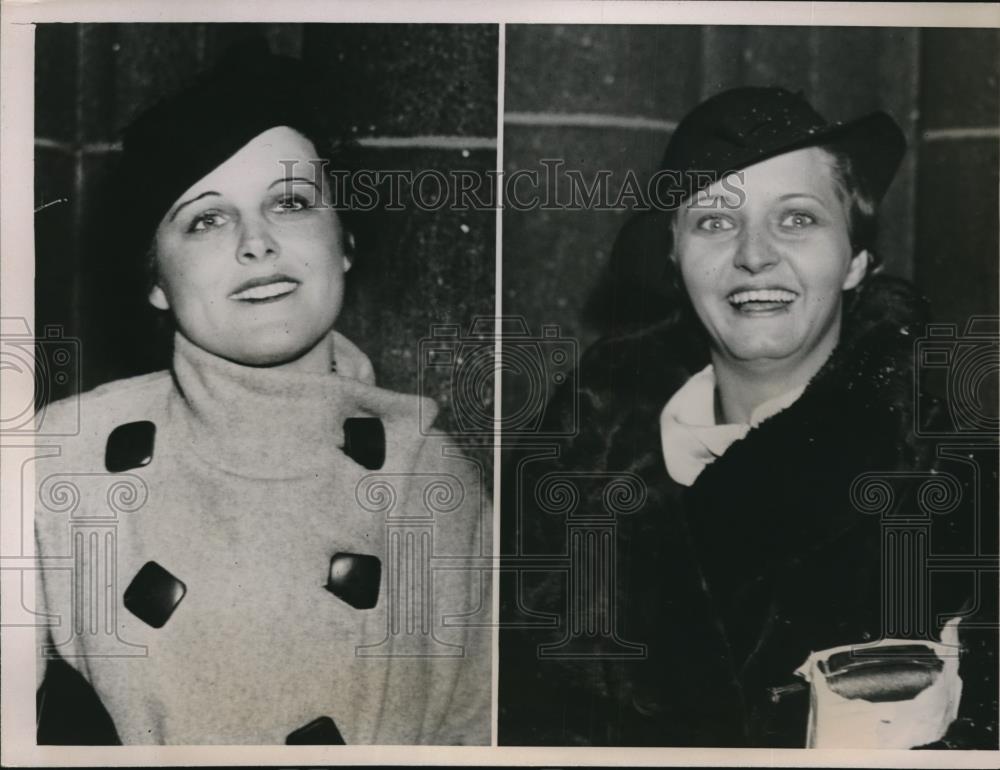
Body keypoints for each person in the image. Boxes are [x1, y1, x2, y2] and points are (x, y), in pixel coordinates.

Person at [499, 87, 997, 748]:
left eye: (796, 219)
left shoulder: (951, 469)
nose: (754, 254)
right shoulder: (578, 463)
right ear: (674, 260)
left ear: (855, 260)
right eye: (713, 221)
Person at [34, 42, 491, 745]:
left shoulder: (436, 483)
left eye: (291, 202)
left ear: (344, 243)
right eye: (206, 219)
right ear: (156, 280)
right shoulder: (58, 462)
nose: (257, 244)